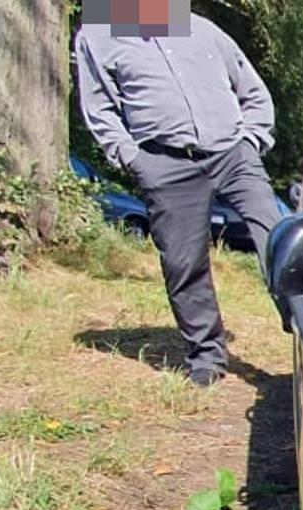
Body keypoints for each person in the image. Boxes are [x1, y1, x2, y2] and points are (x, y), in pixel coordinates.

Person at [74, 0, 284, 387]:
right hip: (165, 163)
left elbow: (252, 89)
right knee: (183, 262)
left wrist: (251, 140)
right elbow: (100, 109)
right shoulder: (97, 36)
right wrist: (135, 159)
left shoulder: (200, 28)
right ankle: (207, 355)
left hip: (232, 153)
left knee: (280, 241)